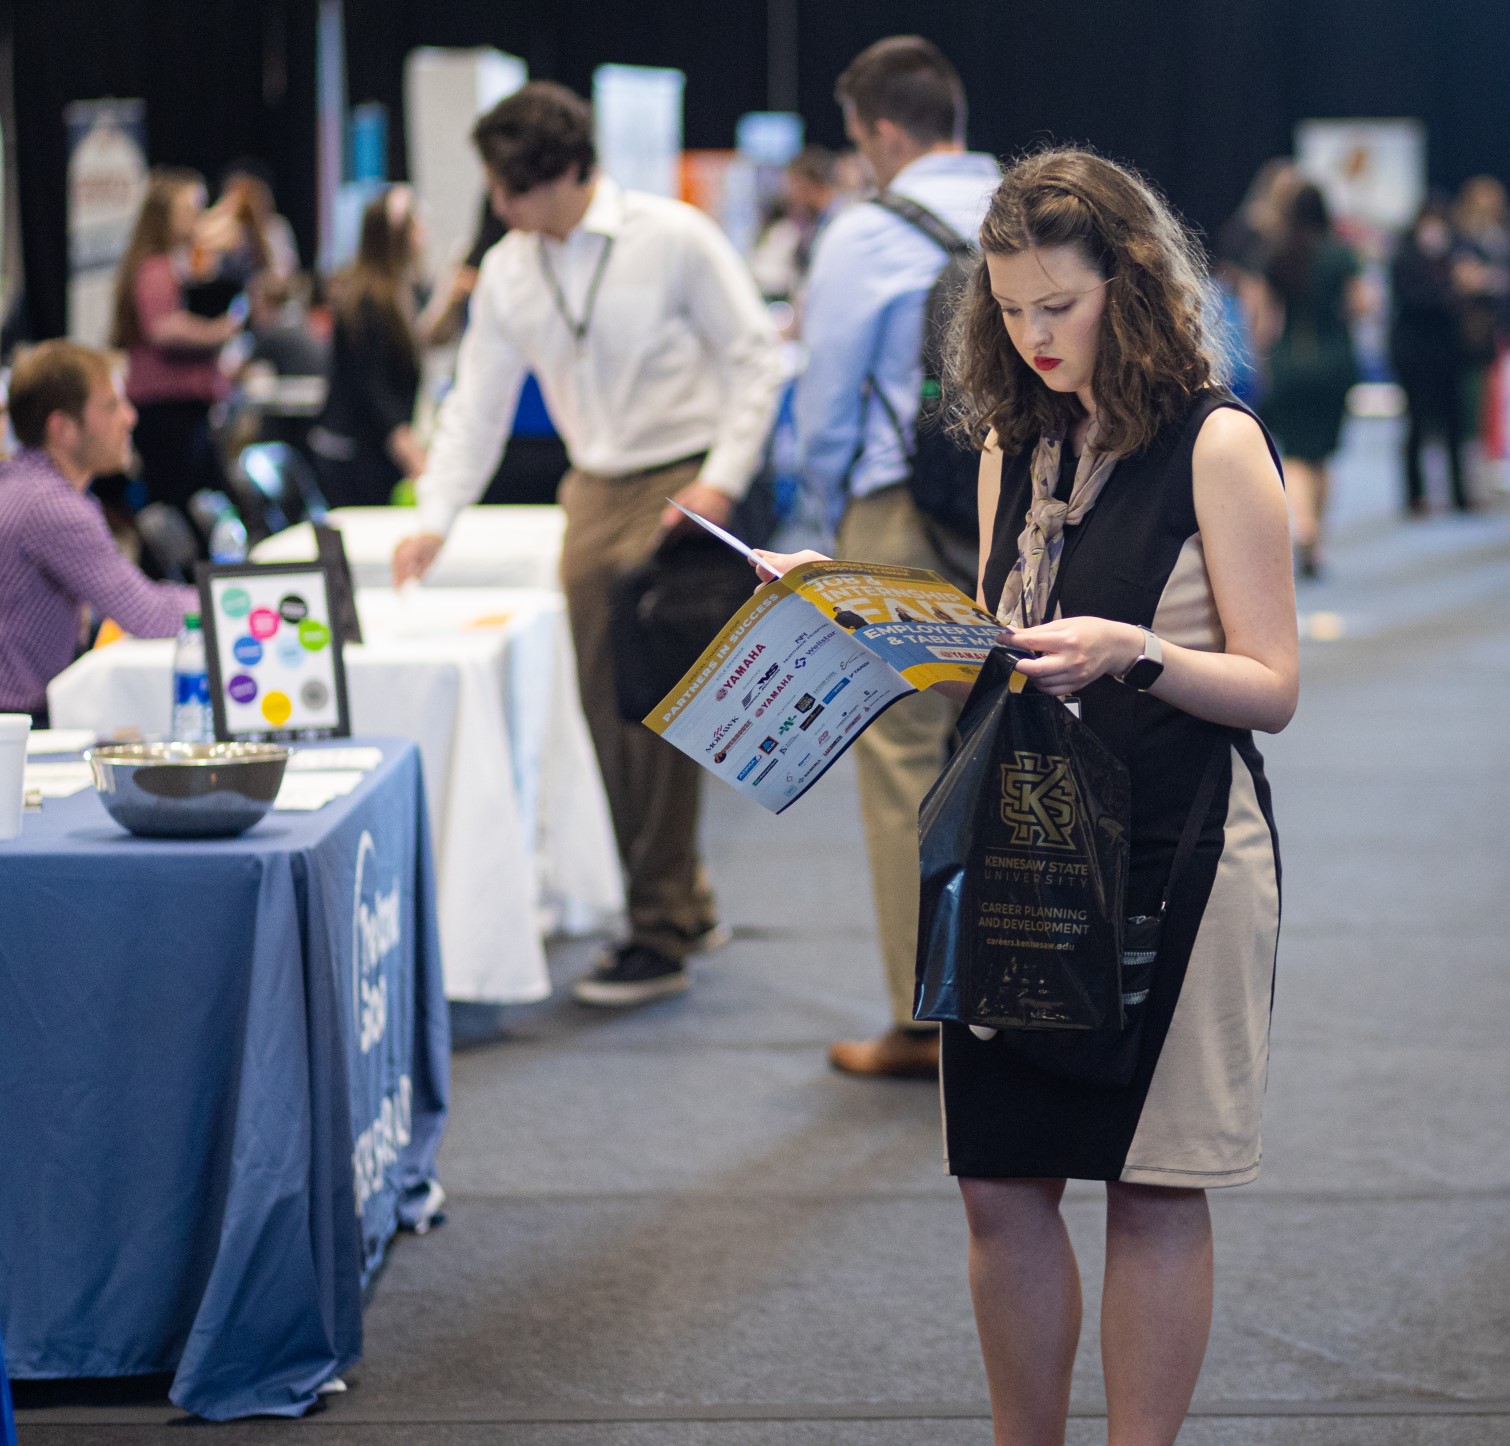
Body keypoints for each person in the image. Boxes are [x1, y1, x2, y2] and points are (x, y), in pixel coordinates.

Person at [755, 146, 1297, 1445]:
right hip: (1021, 841)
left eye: (1058, 305)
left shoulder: (1216, 442)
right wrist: (864, 613)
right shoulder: (1015, 442)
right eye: (1005, 311)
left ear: (1134, 284)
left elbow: (1272, 683)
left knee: (1155, 1186)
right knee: (998, 1185)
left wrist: (1140, 651)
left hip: (1176, 847)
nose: (1033, 335)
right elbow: (1002, 659)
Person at [392, 82, 784, 1006]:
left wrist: (719, 479)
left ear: (567, 172)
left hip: (684, 484)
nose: (499, 208)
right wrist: (435, 518)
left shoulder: (671, 236)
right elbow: (476, 407)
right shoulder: (510, 271)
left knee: (668, 705)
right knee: (609, 705)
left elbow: (755, 356)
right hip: (592, 490)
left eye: (512, 189)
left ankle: (657, 929)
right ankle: (678, 902)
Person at [796, 36, 1000, 1078]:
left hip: (899, 518)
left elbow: (826, 403)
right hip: (1028, 517)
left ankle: (926, 1019)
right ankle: (1031, 991)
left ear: (880, 131)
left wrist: (828, 521)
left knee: (903, 762)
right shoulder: (1034, 208)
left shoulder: (863, 233)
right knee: (1019, 747)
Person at [0, 341, 195, 721]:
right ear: (63, 428)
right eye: (111, 406)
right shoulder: (51, 507)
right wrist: (238, 601)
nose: (130, 417)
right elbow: (148, 616)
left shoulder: (24, 483)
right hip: (18, 727)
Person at [110, 168, 241, 521]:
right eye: (189, 210)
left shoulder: (171, 263)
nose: (198, 218)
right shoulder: (155, 267)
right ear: (165, 216)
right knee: (177, 509)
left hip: (180, 409)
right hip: (167, 411)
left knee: (192, 504)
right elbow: (162, 329)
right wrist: (218, 332)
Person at [1258, 182, 1365, 577]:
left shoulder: (1276, 253)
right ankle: (1315, 534)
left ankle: (1302, 526)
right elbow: (1361, 304)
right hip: (1334, 359)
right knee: (1324, 453)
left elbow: (1264, 320)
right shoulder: (1340, 253)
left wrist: (1266, 362)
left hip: (1290, 360)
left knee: (1297, 454)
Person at [309, 186, 427, 507]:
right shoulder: (367, 299)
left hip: (373, 444)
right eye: (416, 225)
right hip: (354, 449)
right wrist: (406, 447)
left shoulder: (401, 290)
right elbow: (370, 383)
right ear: (396, 235)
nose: (424, 234)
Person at [1389, 197, 1470, 514]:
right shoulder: (1405, 257)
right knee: (1417, 424)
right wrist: (1454, 290)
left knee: (1454, 423)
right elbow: (1412, 299)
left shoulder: (1455, 256)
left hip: (1449, 353)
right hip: (1415, 354)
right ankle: (1415, 494)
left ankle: (1459, 494)